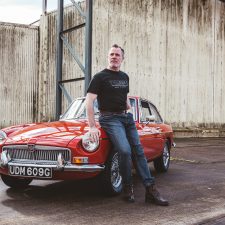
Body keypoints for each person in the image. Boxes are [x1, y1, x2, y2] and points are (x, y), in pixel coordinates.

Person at [85, 44, 169, 206]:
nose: (114, 57)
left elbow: (124, 96)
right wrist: (92, 126)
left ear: (122, 58)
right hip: (109, 119)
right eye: (112, 54)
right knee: (124, 150)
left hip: (126, 118)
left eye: (117, 55)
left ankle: (150, 190)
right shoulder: (99, 77)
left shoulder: (124, 76)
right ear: (108, 57)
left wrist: (129, 110)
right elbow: (89, 101)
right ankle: (127, 187)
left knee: (139, 152)